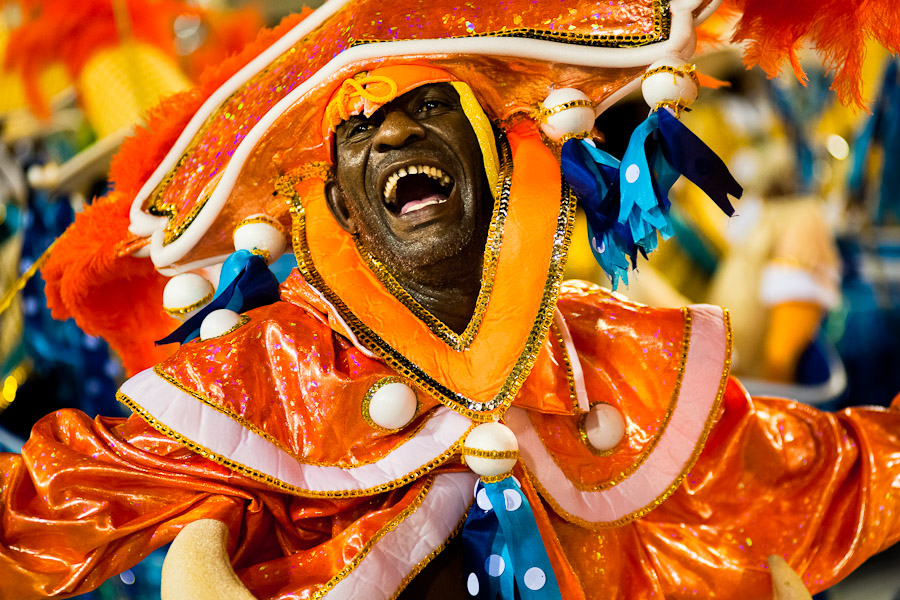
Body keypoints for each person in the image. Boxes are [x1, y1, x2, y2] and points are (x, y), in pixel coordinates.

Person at [3, 2, 900, 599]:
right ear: (342, 205)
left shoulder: (614, 360)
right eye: (357, 129)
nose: (393, 128)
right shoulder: (265, 378)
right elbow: (47, 504)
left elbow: (826, 474)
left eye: (429, 106)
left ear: (499, 155)